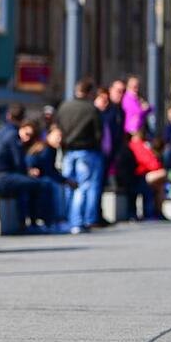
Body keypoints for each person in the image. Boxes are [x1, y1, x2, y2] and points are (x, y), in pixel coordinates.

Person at [0, 106, 49, 228]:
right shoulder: (13, 135)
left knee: (24, 183)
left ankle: (25, 221)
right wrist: (29, 172)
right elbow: (18, 162)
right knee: (40, 184)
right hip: (2, 177)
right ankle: (36, 222)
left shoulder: (1, 131)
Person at [56, 77, 103, 234]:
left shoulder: (64, 107)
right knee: (84, 187)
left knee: (69, 185)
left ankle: (68, 219)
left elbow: (59, 128)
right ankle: (81, 221)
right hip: (87, 150)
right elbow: (98, 133)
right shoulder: (91, 109)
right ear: (89, 92)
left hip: (68, 151)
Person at [27, 124, 73, 232]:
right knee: (52, 186)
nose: (59, 139)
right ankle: (53, 221)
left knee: (54, 185)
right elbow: (48, 170)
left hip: (41, 177)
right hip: (36, 177)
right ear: (48, 136)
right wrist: (65, 180)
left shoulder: (51, 149)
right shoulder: (46, 149)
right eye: (57, 136)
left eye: (61, 136)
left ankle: (54, 220)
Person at [129, 129, 167, 218]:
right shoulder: (137, 145)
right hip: (139, 176)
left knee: (160, 186)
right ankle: (155, 212)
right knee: (163, 174)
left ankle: (158, 212)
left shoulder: (142, 144)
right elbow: (150, 163)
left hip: (144, 174)